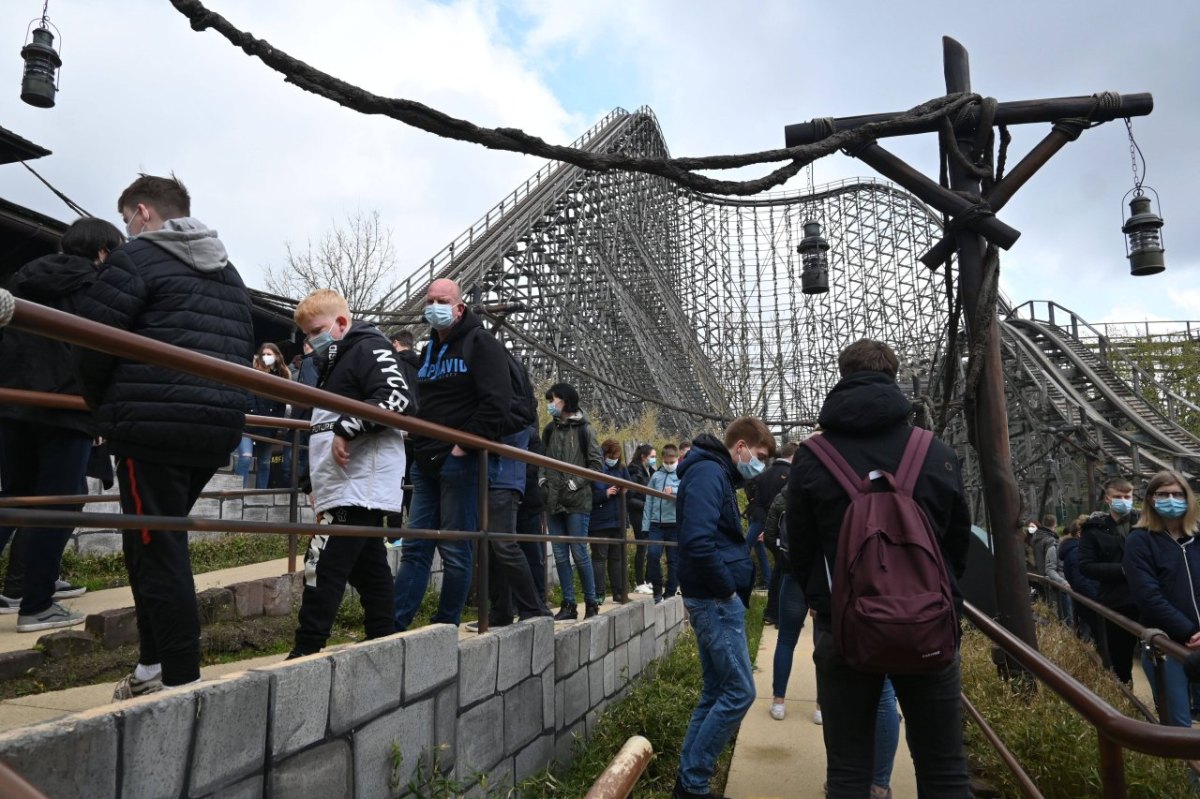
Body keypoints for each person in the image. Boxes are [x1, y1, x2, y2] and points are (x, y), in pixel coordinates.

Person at [75, 174, 254, 698]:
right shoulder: (230, 272)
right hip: (213, 427)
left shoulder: (136, 260)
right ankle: (153, 664)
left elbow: (91, 342)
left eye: (128, 216)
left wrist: (101, 412)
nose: (127, 227)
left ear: (144, 213)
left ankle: (178, 680)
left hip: (150, 425)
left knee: (158, 548)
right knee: (150, 540)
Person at [787, 339, 971, 798]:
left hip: (845, 626)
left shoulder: (812, 457)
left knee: (849, 771)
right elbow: (956, 543)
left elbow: (800, 546)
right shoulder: (936, 452)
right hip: (928, 625)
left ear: (842, 374)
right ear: (894, 375)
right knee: (945, 770)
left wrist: (821, 603)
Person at [0, 218, 123, 629]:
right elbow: (100, 353)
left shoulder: (22, 279)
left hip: (14, 405)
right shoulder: (94, 287)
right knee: (61, 502)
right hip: (67, 409)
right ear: (102, 251)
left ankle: (23, 594)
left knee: (15, 499)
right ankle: (36, 604)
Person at [288, 289, 415, 657]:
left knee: (321, 566)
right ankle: (384, 640)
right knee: (368, 569)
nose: (311, 342)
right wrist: (314, 480)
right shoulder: (335, 361)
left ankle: (305, 651)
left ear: (342, 323)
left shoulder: (367, 347)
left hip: (359, 484)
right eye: (307, 335)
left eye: (317, 331)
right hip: (344, 484)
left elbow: (398, 398)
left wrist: (349, 428)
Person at [393, 279, 511, 631]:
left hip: (460, 461)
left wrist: (463, 446)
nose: (434, 306)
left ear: (459, 307)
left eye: (442, 300)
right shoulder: (428, 350)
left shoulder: (482, 343)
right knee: (416, 544)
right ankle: (394, 624)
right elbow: (425, 403)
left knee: (456, 549)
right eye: (429, 300)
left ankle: (444, 625)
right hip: (425, 459)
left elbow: (497, 405)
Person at [672, 417, 775, 799]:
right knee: (739, 692)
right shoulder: (708, 475)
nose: (759, 465)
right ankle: (693, 784)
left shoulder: (714, 473)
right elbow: (697, 541)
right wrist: (727, 591)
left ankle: (689, 782)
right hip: (715, 599)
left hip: (713, 596)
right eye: (759, 456)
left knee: (717, 690)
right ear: (741, 446)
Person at [1123, 470, 1200, 729]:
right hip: (1168, 646)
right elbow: (1148, 596)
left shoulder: (1197, 538)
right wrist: (1190, 632)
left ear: (1188, 498)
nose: (1171, 499)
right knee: (1179, 725)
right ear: (1151, 500)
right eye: (1164, 494)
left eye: (1177, 494)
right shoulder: (1139, 541)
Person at [479, 426, 552, 628]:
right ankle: (504, 609)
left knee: (526, 553)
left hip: (524, 500)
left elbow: (533, 465)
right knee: (497, 553)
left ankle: (536, 605)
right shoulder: (524, 431)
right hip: (510, 493)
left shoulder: (527, 433)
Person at [541, 382, 603, 621]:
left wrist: (576, 483)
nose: (549, 405)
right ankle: (568, 604)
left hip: (577, 501)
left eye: (552, 400)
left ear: (565, 401)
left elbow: (595, 464)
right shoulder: (549, 429)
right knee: (559, 554)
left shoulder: (585, 430)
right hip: (553, 499)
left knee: (579, 552)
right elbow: (541, 459)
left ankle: (591, 602)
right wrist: (542, 480)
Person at [1079, 477, 1141, 685]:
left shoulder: (1145, 522)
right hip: (1116, 601)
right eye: (1118, 497)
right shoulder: (1094, 529)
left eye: (1127, 496)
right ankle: (1126, 698)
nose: (1123, 501)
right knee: (1119, 658)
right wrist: (1122, 570)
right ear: (1108, 499)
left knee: (1158, 654)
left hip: (1147, 597)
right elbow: (1085, 565)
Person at [745, 441, 795, 622]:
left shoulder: (764, 475)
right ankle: (779, 613)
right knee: (783, 572)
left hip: (765, 525)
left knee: (776, 570)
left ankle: (771, 611)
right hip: (783, 532)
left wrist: (765, 527)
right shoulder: (792, 475)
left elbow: (756, 503)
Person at [589, 439, 629, 604]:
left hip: (618, 520)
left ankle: (619, 592)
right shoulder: (596, 469)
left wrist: (625, 490)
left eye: (617, 456)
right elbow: (589, 495)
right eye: (612, 455)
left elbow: (631, 487)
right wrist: (606, 493)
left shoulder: (622, 469)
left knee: (617, 558)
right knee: (599, 558)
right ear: (604, 454)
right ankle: (598, 593)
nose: (615, 458)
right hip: (599, 521)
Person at [248, 343, 292, 490]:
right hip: (249, 423)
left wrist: (275, 422)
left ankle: (260, 494)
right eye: (264, 354)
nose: (267, 357)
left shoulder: (280, 378)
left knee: (265, 463)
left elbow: (281, 404)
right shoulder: (251, 372)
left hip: (268, 426)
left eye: (270, 354)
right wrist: (253, 412)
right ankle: (238, 494)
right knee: (245, 458)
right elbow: (248, 395)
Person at [643, 444, 681, 604]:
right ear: (663, 460)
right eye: (667, 462)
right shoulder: (656, 477)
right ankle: (657, 590)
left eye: (672, 462)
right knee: (652, 555)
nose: (670, 465)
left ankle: (671, 591)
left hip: (674, 524)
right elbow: (649, 501)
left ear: (677, 459)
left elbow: (689, 495)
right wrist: (645, 525)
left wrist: (673, 491)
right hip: (656, 525)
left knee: (673, 560)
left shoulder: (682, 476)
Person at [390, 329, 420, 525]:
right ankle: (413, 527)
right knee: (414, 482)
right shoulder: (421, 365)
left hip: (399, 428)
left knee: (395, 482)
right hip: (420, 429)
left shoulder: (394, 364)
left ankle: (394, 533)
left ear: (395, 343)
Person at [515, 424, 548, 600]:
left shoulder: (530, 435)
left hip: (527, 501)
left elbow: (533, 468)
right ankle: (514, 602)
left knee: (532, 553)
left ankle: (539, 598)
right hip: (511, 499)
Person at [1061, 514, 1101, 644]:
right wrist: (1099, 600)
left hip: (1084, 600)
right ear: (1079, 533)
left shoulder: (1073, 550)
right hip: (1090, 602)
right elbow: (1082, 581)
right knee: (1093, 637)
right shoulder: (1077, 552)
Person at [627, 443, 655, 594]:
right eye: (652, 457)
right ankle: (639, 582)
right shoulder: (635, 471)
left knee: (651, 545)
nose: (654, 460)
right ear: (644, 457)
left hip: (648, 513)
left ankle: (649, 579)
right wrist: (646, 505)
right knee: (642, 545)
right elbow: (629, 497)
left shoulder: (650, 471)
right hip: (638, 513)